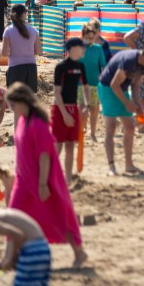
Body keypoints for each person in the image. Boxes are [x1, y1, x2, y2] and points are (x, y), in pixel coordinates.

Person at [5, 83, 87, 270]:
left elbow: (45, 156)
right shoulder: (22, 121)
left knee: (57, 215)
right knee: (15, 215)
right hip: (23, 180)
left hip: (41, 180)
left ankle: (79, 252)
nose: (11, 109)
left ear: (22, 102)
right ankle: (10, 258)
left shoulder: (38, 124)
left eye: (12, 105)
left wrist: (43, 184)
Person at [99, 46, 144, 175]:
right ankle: (112, 167)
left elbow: (136, 85)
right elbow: (114, 84)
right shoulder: (128, 60)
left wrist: (138, 106)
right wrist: (127, 103)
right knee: (111, 128)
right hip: (107, 88)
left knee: (130, 127)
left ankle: (129, 165)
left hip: (121, 89)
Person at [52, 38, 87, 180]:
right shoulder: (61, 66)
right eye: (81, 47)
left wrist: (84, 106)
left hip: (74, 107)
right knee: (58, 144)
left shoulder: (81, 66)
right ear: (73, 49)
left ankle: (67, 178)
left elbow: (85, 87)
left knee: (71, 145)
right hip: (60, 108)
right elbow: (56, 92)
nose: (84, 50)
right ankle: (50, 176)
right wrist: (64, 113)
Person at [2, 4, 41, 92]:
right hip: (31, 68)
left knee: (15, 100)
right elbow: (38, 51)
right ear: (24, 14)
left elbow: (4, 53)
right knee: (29, 101)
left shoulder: (8, 30)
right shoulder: (33, 30)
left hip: (16, 68)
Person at [79, 22, 107, 142]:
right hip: (80, 83)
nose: (90, 40)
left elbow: (103, 66)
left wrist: (102, 77)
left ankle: (93, 132)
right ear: (83, 36)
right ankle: (82, 129)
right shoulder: (78, 47)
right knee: (82, 107)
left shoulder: (98, 48)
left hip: (94, 83)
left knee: (94, 108)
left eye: (92, 38)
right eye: (87, 38)